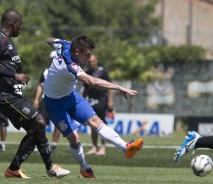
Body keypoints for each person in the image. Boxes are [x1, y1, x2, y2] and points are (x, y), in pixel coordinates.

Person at [0, 9, 70, 179]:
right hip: (4, 96)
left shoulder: (6, 40)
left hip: (13, 94)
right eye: (20, 25)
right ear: (13, 23)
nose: (20, 28)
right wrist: (14, 75)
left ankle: (14, 169)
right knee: (38, 121)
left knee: (36, 128)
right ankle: (51, 166)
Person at [43, 35, 144, 178]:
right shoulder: (70, 64)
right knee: (75, 140)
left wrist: (59, 42)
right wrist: (119, 87)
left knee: (97, 122)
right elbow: (92, 81)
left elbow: (49, 39)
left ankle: (126, 148)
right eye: (87, 54)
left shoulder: (64, 44)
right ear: (77, 51)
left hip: (71, 97)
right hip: (54, 103)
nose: (90, 58)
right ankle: (84, 168)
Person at [83, 54, 114, 156]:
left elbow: (109, 86)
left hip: (101, 100)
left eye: (92, 61)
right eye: (89, 62)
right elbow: (86, 89)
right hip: (91, 100)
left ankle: (103, 147)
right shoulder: (86, 73)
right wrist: (82, 100)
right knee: (92, 124)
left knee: (101, 124)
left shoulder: (102, 72)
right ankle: (94, 147)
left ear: (96, 61)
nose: (91, 63)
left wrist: (110, 100)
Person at [33, 51, 61, 153]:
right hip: (46, 100)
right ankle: (39, 144)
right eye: (52, 58)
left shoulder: (63, 70)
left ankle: (54, 144)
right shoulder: (45, 71)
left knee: (59, 123)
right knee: (40, 122)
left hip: (59, 100)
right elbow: (40, 85)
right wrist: (36, 98)